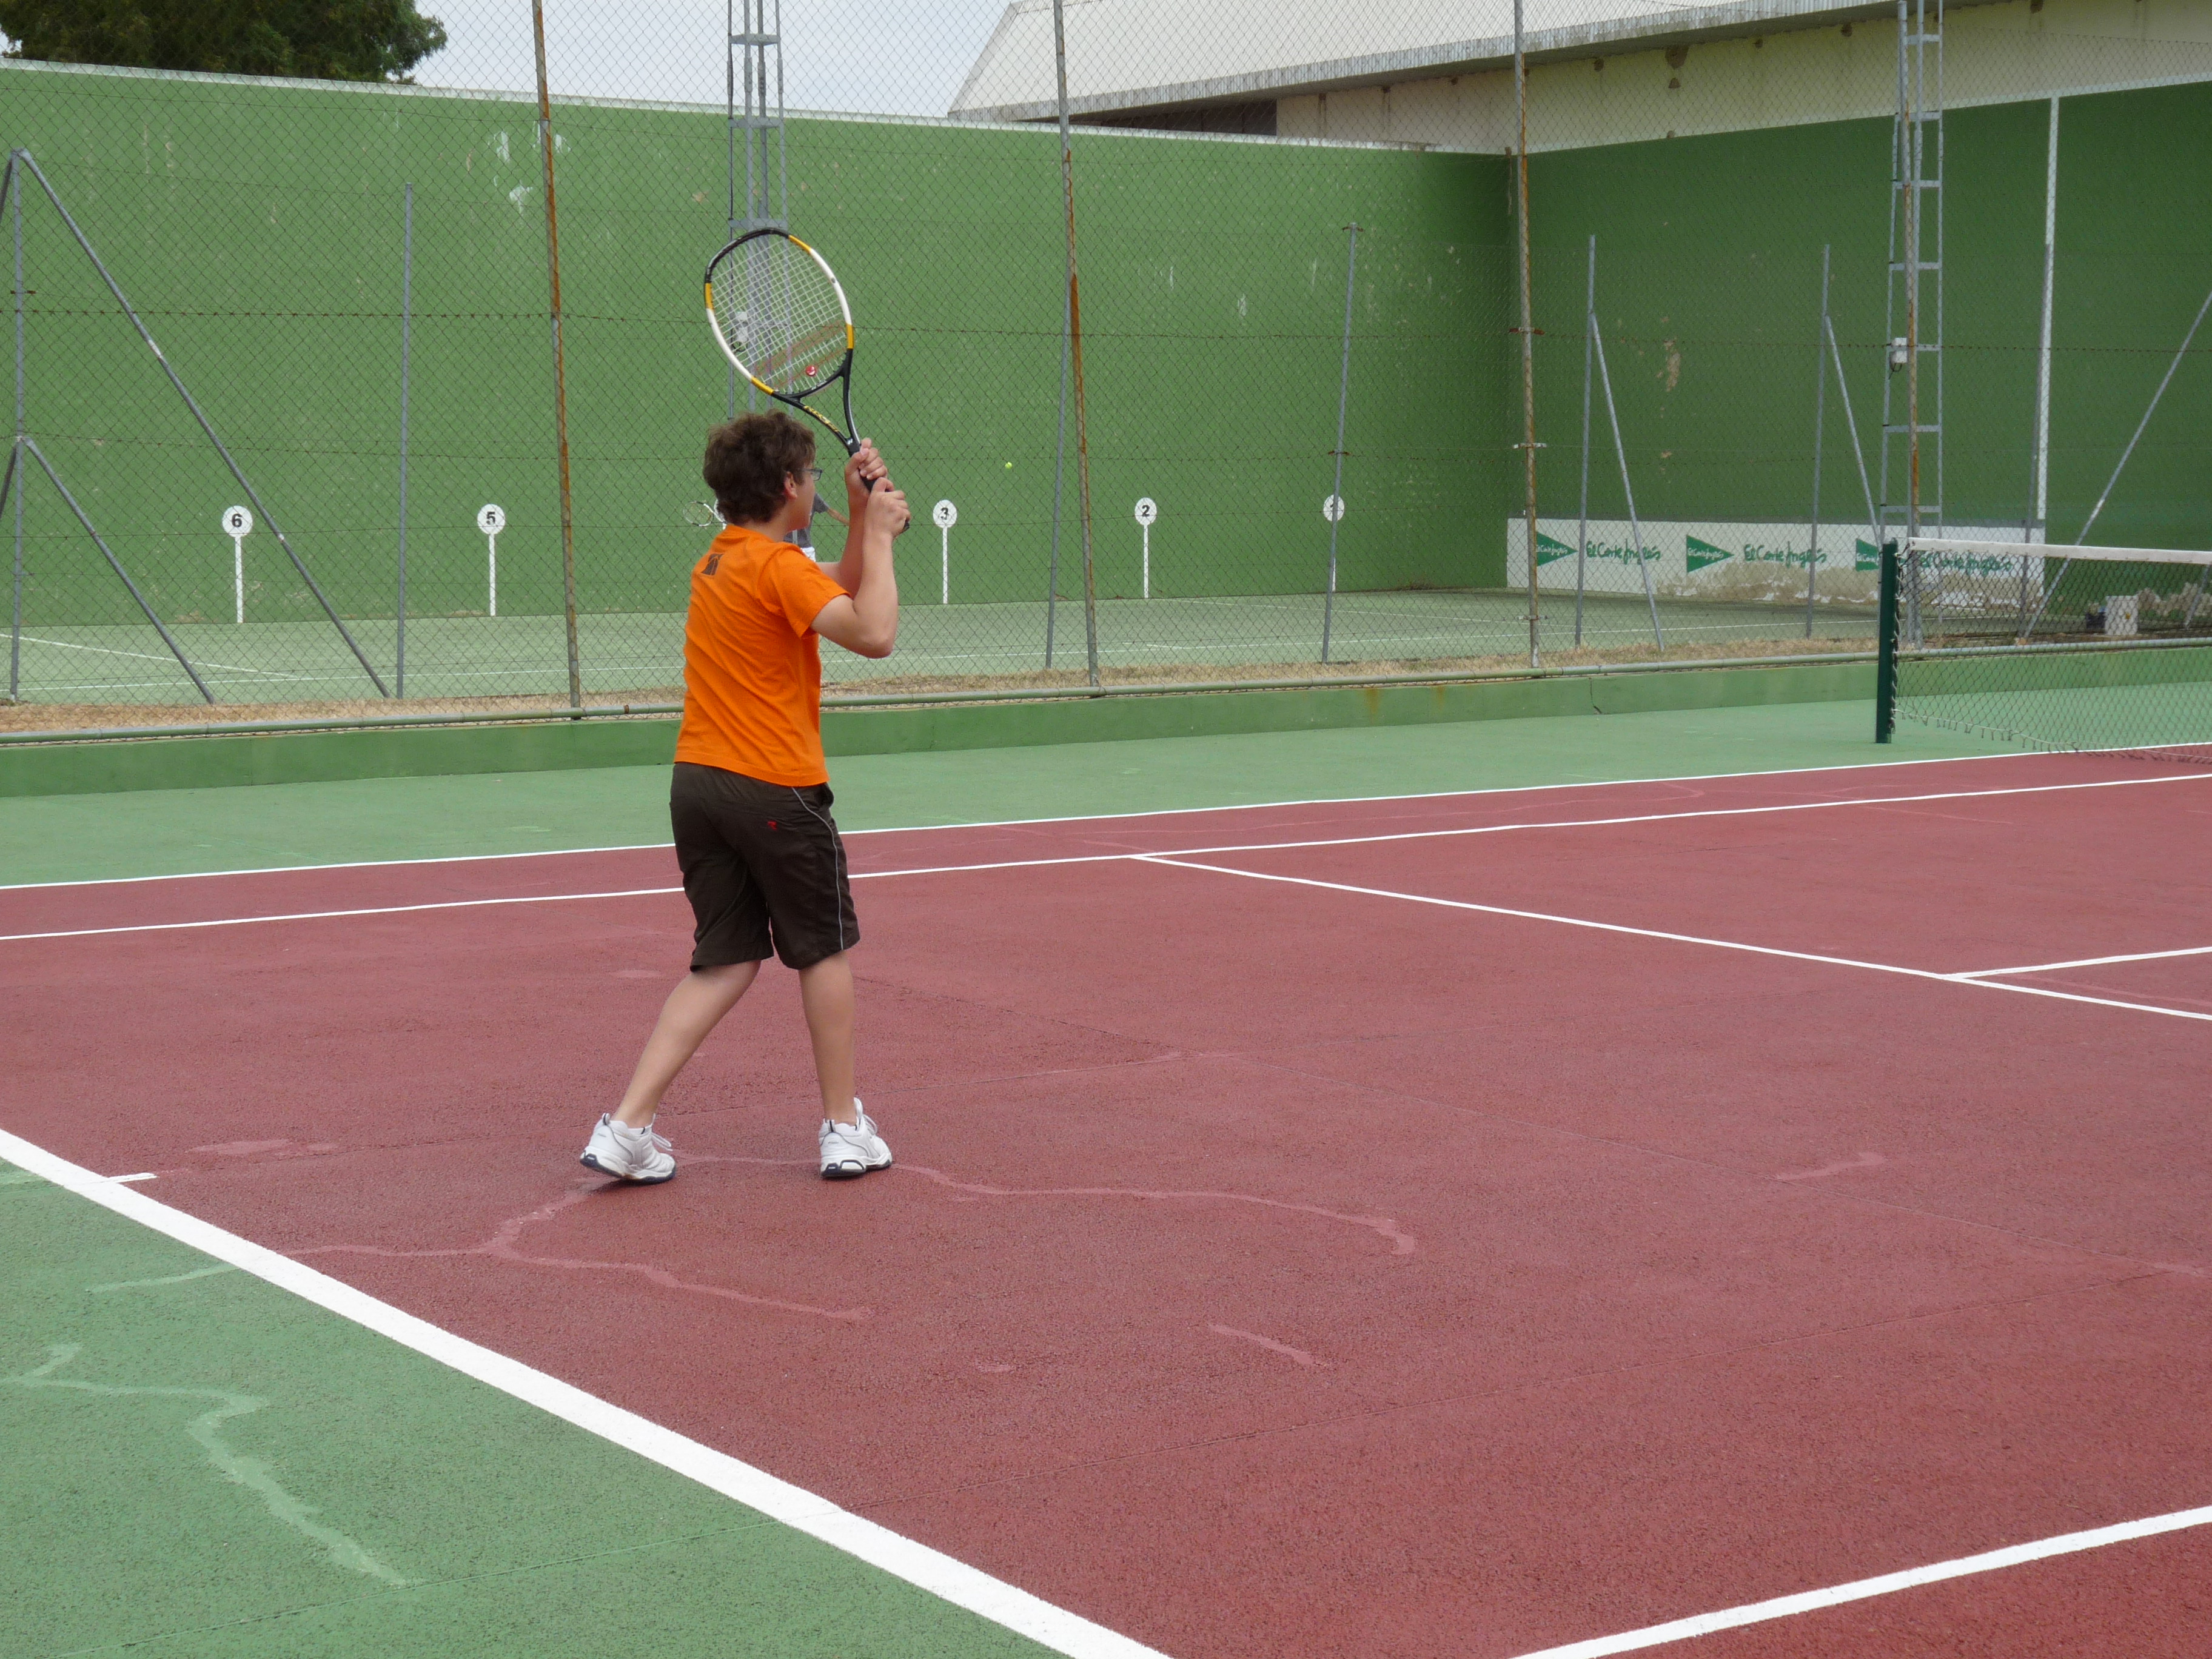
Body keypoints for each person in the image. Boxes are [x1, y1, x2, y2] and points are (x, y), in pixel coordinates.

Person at [581, 411, 909, 1184]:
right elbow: (874, 633)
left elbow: (831, 590)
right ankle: (844, 1128)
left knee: (723, 962)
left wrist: (857, 512)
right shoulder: (778, 568)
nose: (817, 486)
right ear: (789, 486)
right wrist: (883, 538)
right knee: (822, 950)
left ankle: (627, 1128)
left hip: (699, 788)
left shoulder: (723, 562)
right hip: (776, 787)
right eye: (814, 478)